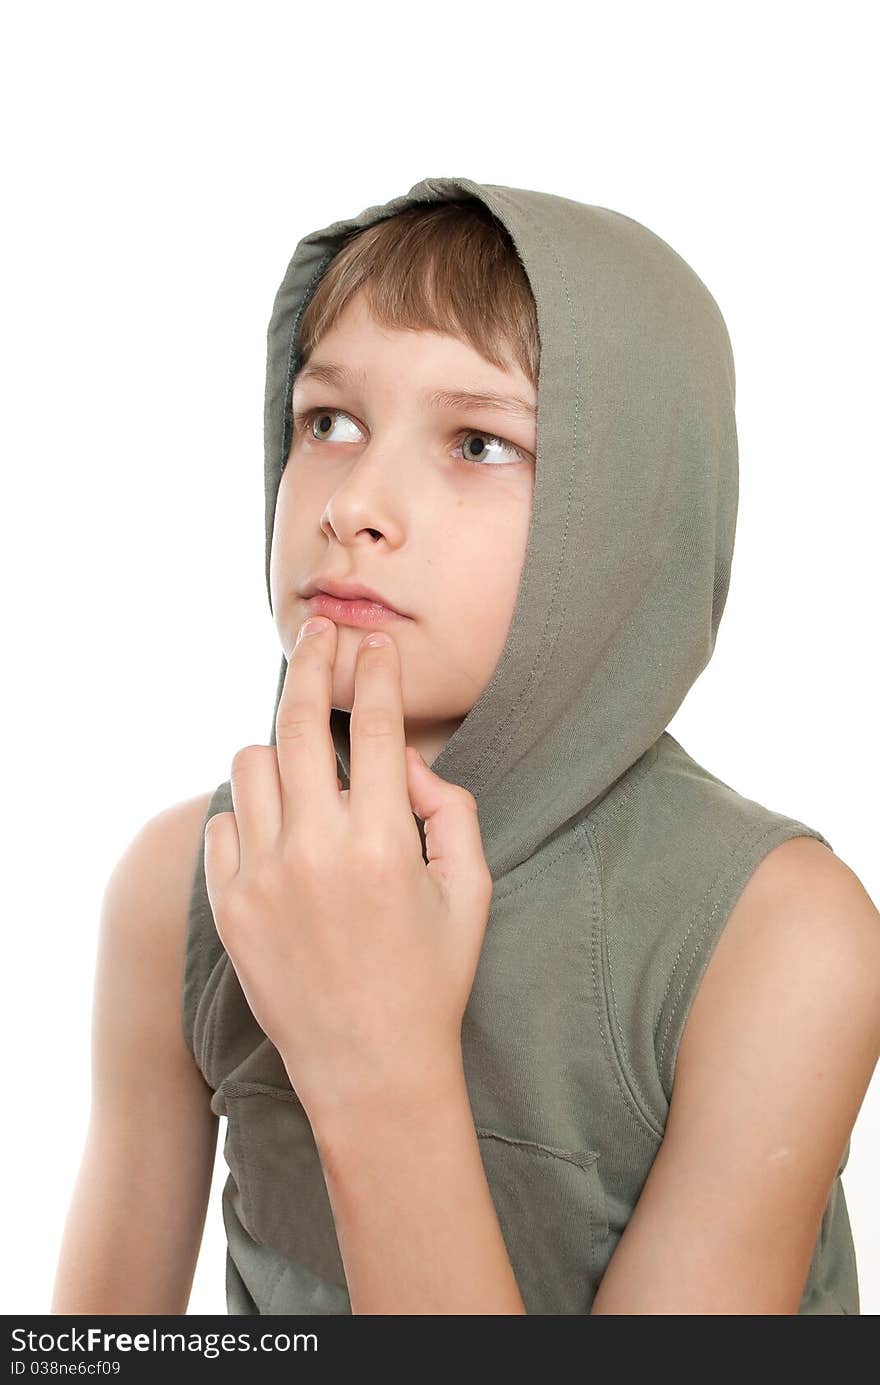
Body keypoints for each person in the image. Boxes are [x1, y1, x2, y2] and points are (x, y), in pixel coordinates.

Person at [52, 176, 880, 1316]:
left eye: (479, 441)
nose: (355, 504)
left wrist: (375, 1065)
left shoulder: (778, 937)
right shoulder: (180, 884)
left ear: (625, 514)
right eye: (327, 420)